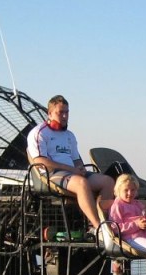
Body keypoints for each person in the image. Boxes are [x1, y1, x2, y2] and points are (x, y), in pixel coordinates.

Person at [27, 94, 115, 232]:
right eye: (60, 112)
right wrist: (71, 169)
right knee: (81, 183)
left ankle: (104, 221)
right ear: (49, 113)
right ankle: (98, 227)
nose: (64, 116)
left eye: (67, 112)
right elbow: (39, 161)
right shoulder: (39, 133)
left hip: (72, 174)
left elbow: (76, 159)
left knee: (108, 182)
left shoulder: (69, 135)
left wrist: (80, 168)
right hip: (51, 174)